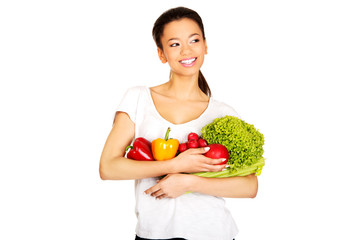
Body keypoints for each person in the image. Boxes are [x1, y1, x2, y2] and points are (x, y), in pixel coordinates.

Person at [99, 6, 258, 240]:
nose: (186, 50)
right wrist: (173, 166)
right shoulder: (138, 98)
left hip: (214, 233)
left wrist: (188, 182)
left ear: (205, 45)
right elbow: (108, 167)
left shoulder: (223, 113)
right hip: (154, 234)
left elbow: (249, 186)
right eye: (174, 44)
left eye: (194, 40)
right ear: (161, 54)